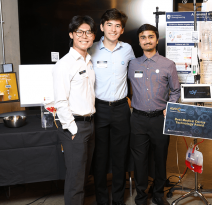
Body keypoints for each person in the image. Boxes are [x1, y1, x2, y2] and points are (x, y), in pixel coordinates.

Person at [128, 24, 180, 205]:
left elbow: (175, 90)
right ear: (139, 41)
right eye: (143, 37)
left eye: (151, 37)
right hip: (138, 119)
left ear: (157, 40)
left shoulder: (168, 64)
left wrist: (170, 107)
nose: (147, 40)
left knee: (160, 159)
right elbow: (123, 86)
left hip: (160, 119)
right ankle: (141, 196)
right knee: (139, 160)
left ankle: (158, 194)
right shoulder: (133, 64)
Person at [88, 8, 135, 205]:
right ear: (101, 27)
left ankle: (118, 199)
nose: (113, 29)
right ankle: (101, 200)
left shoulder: (128, 49)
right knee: (99, 157)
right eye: (109, 25)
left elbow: (134, 76)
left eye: (117, 26)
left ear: (122, 30)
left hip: (121, 109)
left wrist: (132, 98)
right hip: (98, 109)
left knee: (120, 156)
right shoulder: (91, 49)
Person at [53, 15, 96, 205]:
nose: (84, 36)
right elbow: (60, 100)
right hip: (75, 127)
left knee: (84, 174)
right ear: (72, 34)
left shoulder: (89, 61)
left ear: (93, 36)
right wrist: (72, 129)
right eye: (79, 32)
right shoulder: (64, 64)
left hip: (90, 124)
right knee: (76, 179)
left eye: (88, 32)